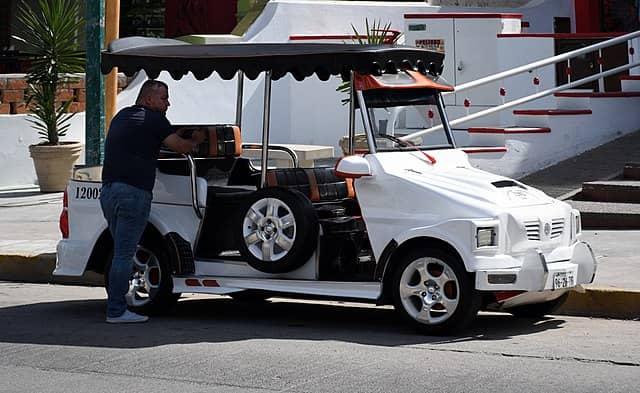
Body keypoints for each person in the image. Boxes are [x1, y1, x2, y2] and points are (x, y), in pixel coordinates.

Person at [100, 79, 205, 324]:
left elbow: (144, 144)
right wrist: (196, 140)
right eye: (163, 98)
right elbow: (179, 147)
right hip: (133, 193)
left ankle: (116, 305)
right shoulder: (154, 119)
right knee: (125, 255)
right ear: (149, 99)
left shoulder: (122, 116)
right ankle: (116, 311)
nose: (168, 103)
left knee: (120, 253)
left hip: (109, 192)